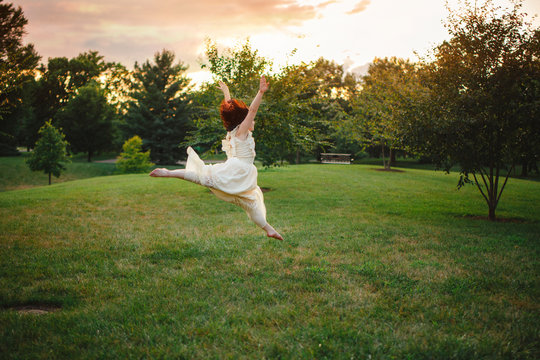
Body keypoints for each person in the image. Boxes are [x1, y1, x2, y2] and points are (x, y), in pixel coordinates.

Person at [149, 76, 283, 241]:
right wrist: (260, 92)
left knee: (209, 180)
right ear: (244, 120)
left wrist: (227, 93)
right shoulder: (241, 132)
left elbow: (232, 112)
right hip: (240, 170)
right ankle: (168, 173)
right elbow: (252, 110)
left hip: (237, 169)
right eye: (249, 118)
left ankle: (269, 229)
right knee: (249, 203)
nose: (252, 120)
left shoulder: (233, 132)